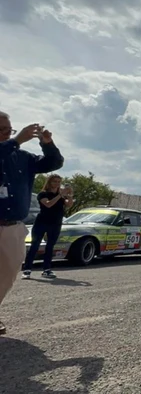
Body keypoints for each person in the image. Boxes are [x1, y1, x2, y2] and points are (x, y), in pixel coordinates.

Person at [0, 111, 64, 335]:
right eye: (2, 130)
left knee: (8, 272)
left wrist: (47, 143)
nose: (8, 133)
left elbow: (54, 163)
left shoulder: (23, 157)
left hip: (13, 226)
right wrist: (16, 140)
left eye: (10, 129)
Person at [22, 174, 73, 280]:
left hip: (55, 223)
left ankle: (46, 269)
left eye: (59, 182)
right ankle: (27, 269)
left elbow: (68, 205)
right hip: (42, 222)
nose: (57, 184)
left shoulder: (60, 195)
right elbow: (48, 204)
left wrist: (70, 196)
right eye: (55, 181)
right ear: (49, 182)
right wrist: (60, 195)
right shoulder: (43, 194)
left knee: (50, 247)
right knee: (34, 245)